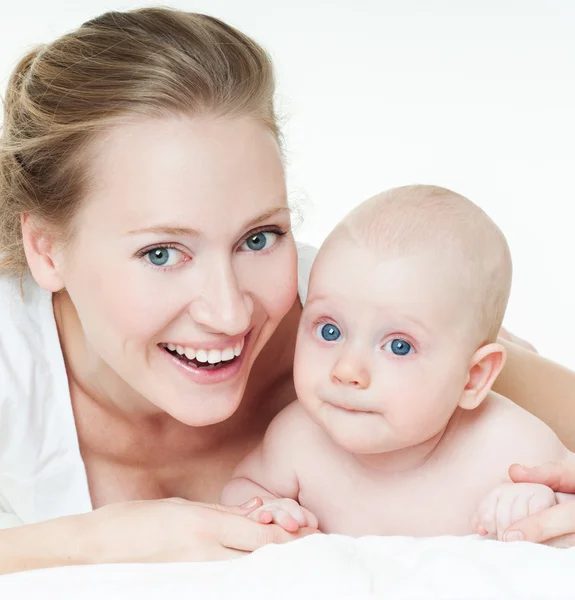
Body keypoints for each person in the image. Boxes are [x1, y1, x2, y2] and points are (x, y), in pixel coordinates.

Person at [0, 7, 573, 575]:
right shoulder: (13, 368)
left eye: (259, 238)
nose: (228, 313)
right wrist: (93, 542)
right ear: (47, 249)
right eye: (161, 253)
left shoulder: (363, 323)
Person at [221, 185, 574, 540]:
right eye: (329, 331)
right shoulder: (297, 439)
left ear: (473, 378)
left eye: (399, 347)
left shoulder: (513, 447)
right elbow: (241, 489)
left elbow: (567, 499)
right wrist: (270, 509)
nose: (347, 370)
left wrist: (537, 499)